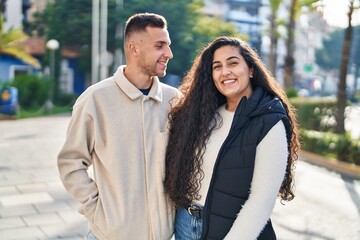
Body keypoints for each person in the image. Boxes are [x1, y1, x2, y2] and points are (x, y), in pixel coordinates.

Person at [164, 36, 301, 240]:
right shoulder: (204, 116)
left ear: (251, 70)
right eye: (216, 66)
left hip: (232, 232)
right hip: (185, 224)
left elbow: (261, 201)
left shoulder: (270, 120)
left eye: (233, 63)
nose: (225, 72)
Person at [57, 13, 179, 240]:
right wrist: (97, 211)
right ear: (134, 49)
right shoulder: (95, 99)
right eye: (160, 46)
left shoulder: (174, 101)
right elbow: (70, 162)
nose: (169, 54)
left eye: (168, 46)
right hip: (110, 235)